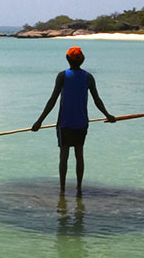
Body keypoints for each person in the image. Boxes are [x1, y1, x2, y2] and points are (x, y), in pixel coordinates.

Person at [32, 47, 115, 194]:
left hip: (65, 123)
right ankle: (78, 189)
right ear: (82, 60)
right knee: (79, 155)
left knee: (64, 156)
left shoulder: (62, 76)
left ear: (67, 59)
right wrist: (108, 115)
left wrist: (39, 121)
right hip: (81, 123)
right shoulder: (88, 77)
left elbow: (52, 100)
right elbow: (97, 100)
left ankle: (62, 190)